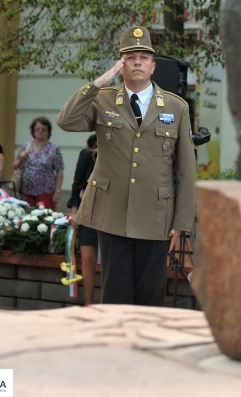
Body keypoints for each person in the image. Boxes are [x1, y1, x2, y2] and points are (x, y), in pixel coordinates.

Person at [56, 26, 197, 307]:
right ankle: (116, 351)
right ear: (121, 65)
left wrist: (181, 222)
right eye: (130, 57)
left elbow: (185, 169)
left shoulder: (176, 107)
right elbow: (66, 121)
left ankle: (144, 351)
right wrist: (97, 83)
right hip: (113, 214)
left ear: (152, 66)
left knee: (150, 297)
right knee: (115, 296)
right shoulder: (102, 99)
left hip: (156, 217)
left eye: (143, 57)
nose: (137, 62)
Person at [67, 134, 99, 306]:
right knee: (87, 259)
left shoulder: (121, 154)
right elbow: (77, 182)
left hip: (113, 214)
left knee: (111, 263)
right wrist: (74, 210)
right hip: (88, 213)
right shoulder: (87, 155)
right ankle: (88, 304)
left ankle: (109, 306)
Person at [13, 117, 64, 210]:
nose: (40, 131)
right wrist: (21, 157)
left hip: (45, 192)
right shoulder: (26, 146)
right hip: (26, 191)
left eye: (43, 129)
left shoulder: (54, 148)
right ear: (33, 131)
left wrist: (57, 191)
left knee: (44, 220)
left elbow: (59, 171)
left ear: (48, 131)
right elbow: (15, 166)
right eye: (37, 129)